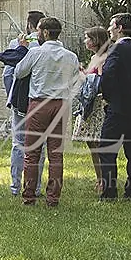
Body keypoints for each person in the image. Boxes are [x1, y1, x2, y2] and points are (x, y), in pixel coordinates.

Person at [15, 16, 80, 207]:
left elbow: (19, 72)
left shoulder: (36, 53)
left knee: (32, 152)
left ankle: (29, 195)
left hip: (39, 103)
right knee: (56, 153)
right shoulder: (71, 56)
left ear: (44, 32)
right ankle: (53, 197)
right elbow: (75, 79)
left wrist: (23, 49)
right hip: (61, 104)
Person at [97, 12, 131, 201]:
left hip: (118, 109)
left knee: (107, 150)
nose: (109, 29)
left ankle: (109, 192)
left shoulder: (115, 50)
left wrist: (108, 98)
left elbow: (108, 76)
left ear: (119, 28)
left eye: (112, 25)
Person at [0, 11, 45, 198]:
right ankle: (36, 186)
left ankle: (16, 185)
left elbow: (8, 74)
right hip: (42, 101)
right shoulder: (51, 47)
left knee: (19, 144)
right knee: (39, 147)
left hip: (21, 101)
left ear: (29, 25)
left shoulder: (18, 44)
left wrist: (11, 96)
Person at [72, 26, 111, 193]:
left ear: (96, 40)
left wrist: (84, 76)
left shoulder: (102, 58)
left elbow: (100, 82)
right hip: (89, 104)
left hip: (97, 105)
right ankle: (99, 178)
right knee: (91, 144)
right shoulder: (95, 57)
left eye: (87, 38)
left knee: (98, 144)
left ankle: (104, 180)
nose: (85, 41)